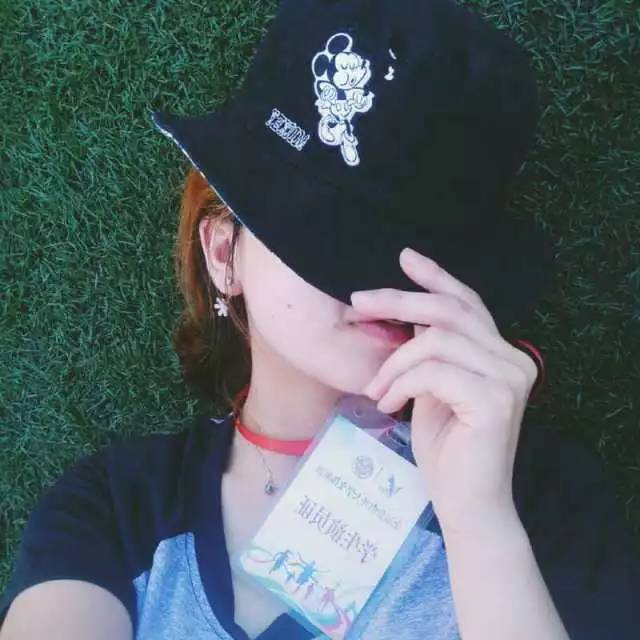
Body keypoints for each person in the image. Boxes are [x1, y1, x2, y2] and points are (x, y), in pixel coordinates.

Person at [1, 1, 639, 639]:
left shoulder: (548, 501)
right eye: (331, 236)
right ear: (223, 254)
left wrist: (481, 522)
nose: (382, 283)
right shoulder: (116, 509)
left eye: (428, 254)